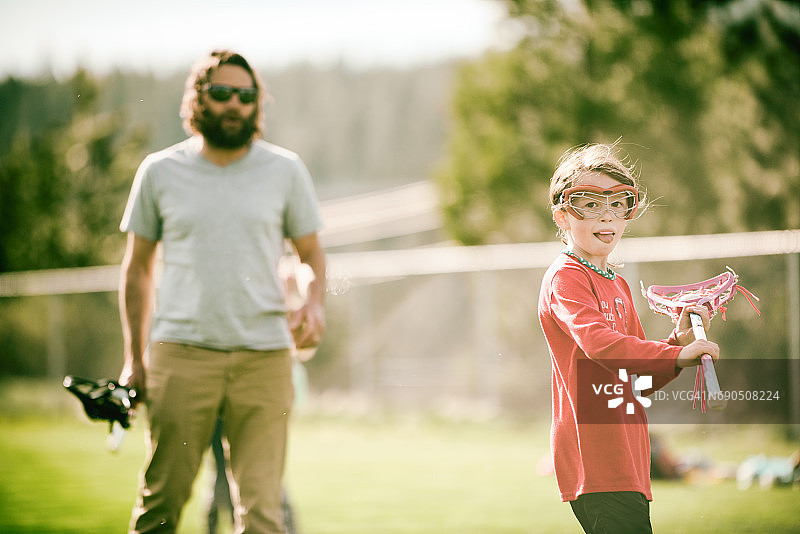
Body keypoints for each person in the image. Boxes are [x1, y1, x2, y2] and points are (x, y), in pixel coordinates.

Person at [118, 49, 326, 534]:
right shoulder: (159, 171)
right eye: (221, 93)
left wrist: (313, 302)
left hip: (265, 359)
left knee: (263, 513)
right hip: (181, 356)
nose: (235, 104)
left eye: (246, 96)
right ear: (198, 99)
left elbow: (312, 254)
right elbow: (137, 271)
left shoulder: (285, 169)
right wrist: (134, 358)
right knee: (161, 505)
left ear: (257, 105)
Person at [537, 143, 719, 534]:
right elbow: (599, 344)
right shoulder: (565, 277)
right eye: (589, 204)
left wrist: (675, 343)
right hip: (597, 460)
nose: (607, 216)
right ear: (562, 216)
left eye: (619, 203)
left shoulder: (616, 283)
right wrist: (678, 356)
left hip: (628, 461)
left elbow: (637, 382)